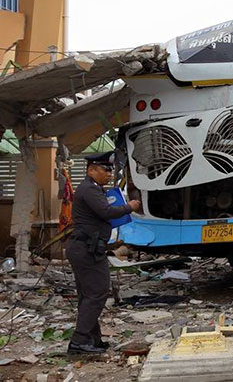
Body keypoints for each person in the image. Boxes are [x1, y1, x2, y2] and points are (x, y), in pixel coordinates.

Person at [65, 152, 140, 354]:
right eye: (105, 170)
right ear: (91, 170)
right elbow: (106, 212)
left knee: (89, 295)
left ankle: (92, 339)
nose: (109, 173)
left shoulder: (94, 189)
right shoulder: (89, 189)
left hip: (88, 248)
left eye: (109, 170)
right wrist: (129, 207)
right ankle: (79, 341)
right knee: (98, 293)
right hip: (85, 249)